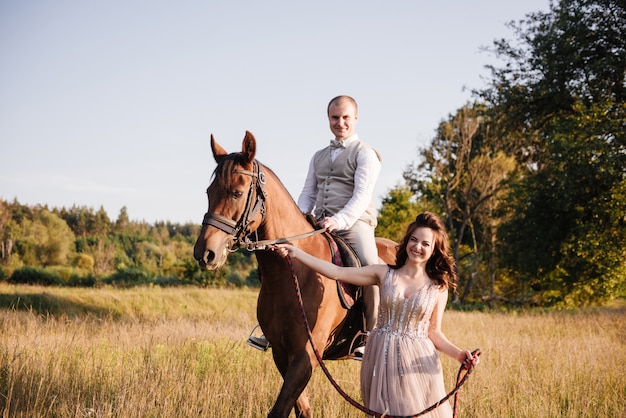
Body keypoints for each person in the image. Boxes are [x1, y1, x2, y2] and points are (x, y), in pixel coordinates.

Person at [272, 212, 479, 417]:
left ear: (434, 249)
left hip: (416, 358)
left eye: (425, 244)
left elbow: (434, 332)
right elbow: (336, 272)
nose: (417, 247)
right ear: (406, 242)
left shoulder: (437, 287)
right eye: (414, 240)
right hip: (382, 356)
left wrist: (460, 355)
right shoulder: (384, 273)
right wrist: (297, 253)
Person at [248, 95, 382, 357]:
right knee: (278, 258)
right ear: (328, 119)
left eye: (345, 117)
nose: (340, 122)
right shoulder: (318, 156)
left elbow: (361, 195)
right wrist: (297, 218)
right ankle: (270, 328)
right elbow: (309, 193)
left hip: (354, 224)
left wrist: (339, 220)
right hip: (319, 222)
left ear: (355, 118)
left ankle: (369, 334)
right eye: (335, 117)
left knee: (370, 267)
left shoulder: (366, 154)